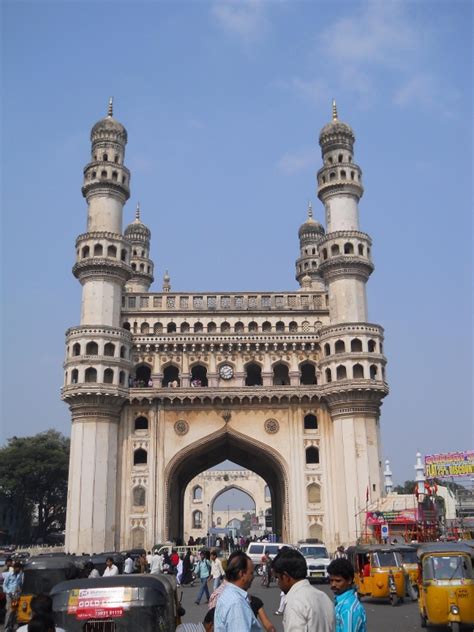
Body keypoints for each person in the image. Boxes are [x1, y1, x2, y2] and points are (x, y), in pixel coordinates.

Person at [271, 548, 334, 632]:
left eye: (277, 578)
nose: (278, 583)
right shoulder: (323, 596)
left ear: (285, 577)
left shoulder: (295, 602)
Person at [214, 551, 262, 631]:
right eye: (251, 573)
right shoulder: (236, 602)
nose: (253, 577)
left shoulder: (228, 593)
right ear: (242, 574)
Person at [327, 558, 367, 632]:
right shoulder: (341, 603)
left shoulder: (349, 609)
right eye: (331, 580)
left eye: (338, 581)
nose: (333, 584)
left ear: (349, 580)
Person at [4, 562, 24, 632]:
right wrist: (9, 592)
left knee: (15, 611)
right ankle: (6, 628)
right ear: (16, 568)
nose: (20, 570)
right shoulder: (9, 575)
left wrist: (20, 591)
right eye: (19, 568)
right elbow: (4, 586)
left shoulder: (20, 575)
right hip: (9, 595)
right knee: (9, 611)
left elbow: (20, 585)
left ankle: (11, 627)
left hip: (16, 595)